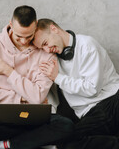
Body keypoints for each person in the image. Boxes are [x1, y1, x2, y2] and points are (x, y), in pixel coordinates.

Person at [0, 6, 74, 149]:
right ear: (11, 25)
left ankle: (3, 144)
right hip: (1, 113)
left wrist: (7, 71)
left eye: (29, 36)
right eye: (19, 36)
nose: (23, 41)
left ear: (35, 28)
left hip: (35, 114)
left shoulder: (45, 52)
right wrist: (22, 97)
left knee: (66, 126)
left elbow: (38, 97)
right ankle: (35, 140)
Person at [33, 18, 119, 149]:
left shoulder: (87, 45)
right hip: (91, 114)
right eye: (42, 48)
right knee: (65, 144)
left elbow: (92, 89)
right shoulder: (53, 60)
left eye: (45, 43)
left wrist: (58, 77)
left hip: (111, 101)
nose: (47, 50)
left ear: (54, 29)